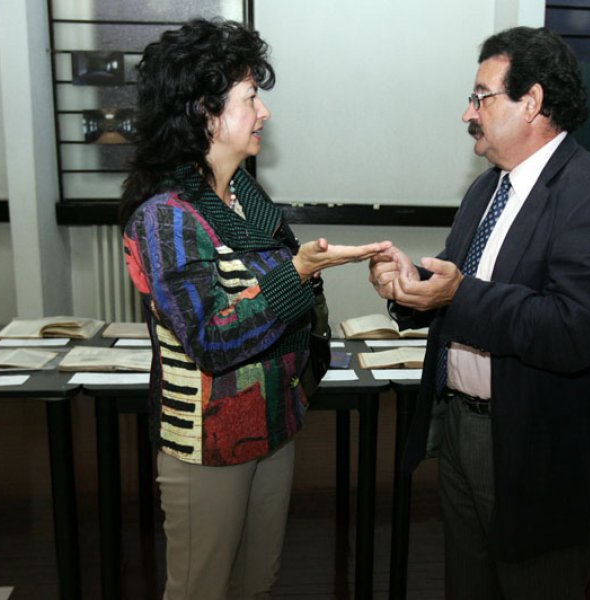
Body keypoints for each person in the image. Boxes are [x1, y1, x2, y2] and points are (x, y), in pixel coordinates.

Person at [369, 27, 590, 599]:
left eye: (481, 97)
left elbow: (572, 330)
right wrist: (410, 285)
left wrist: (456, 295)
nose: (467, 112)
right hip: (461, 432)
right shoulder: (488, 189)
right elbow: (464, 280)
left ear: (532, 102)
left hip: (537, 449)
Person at [120, 19, 390, 600]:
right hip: (209, 444)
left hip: (272, 426)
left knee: (255, 584)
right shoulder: (165, 217)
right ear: (205, 112)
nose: (264, 112)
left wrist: (306, 269)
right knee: (201, 589)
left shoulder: (244, 196)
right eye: (250, 97)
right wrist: (299, 272)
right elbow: (212, 340)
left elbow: (271, 298)